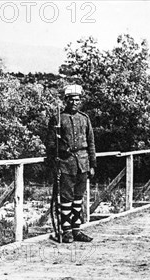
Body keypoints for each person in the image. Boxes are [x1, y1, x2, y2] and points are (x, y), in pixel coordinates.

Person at [46, 84, 96, 243]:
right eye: (71, 100)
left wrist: (93, 164)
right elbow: (50, 143)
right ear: (66, 100)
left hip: (82, 162)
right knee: (66, 198)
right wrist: (58, 153)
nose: (75, 102)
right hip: (66, 163)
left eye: (77, 100)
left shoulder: (84, 118)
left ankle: (77, 230)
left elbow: (91, 143)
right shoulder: (58, 118)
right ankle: (66, 231)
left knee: (78, 198)